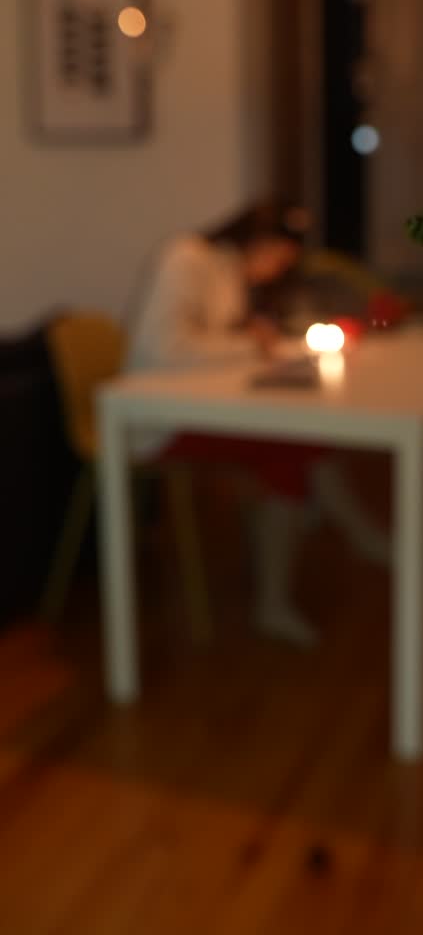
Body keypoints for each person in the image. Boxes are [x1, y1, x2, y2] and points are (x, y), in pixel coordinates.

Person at [127, 200, 387, 645]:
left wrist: (250, 337)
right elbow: (163, 349)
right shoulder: (186, 258)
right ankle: (325, 561)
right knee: (292, 447)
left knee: (300, 441)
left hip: (198, 405)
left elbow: (216, 339)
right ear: (259, 242)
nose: (275, 271)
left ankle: (352, 539)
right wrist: (250, 344)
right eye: (278, 259)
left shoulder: (227, 271)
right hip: (157, 418)